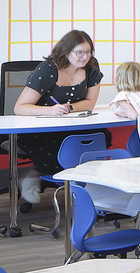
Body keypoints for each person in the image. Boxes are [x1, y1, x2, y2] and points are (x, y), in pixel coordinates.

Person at [12, 30, 104, 203]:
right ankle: (32, 176)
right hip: (43, 128)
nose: (85, 57)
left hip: (72, 123)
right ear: (66, 51)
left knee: (99, 136)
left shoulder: (91, 67)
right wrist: (49, 110)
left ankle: (87, 188)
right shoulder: (48, 69)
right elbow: (20, 107)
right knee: (55, 144)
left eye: (88, 52)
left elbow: (90, 102)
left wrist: (69, 108)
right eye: (80, 53)